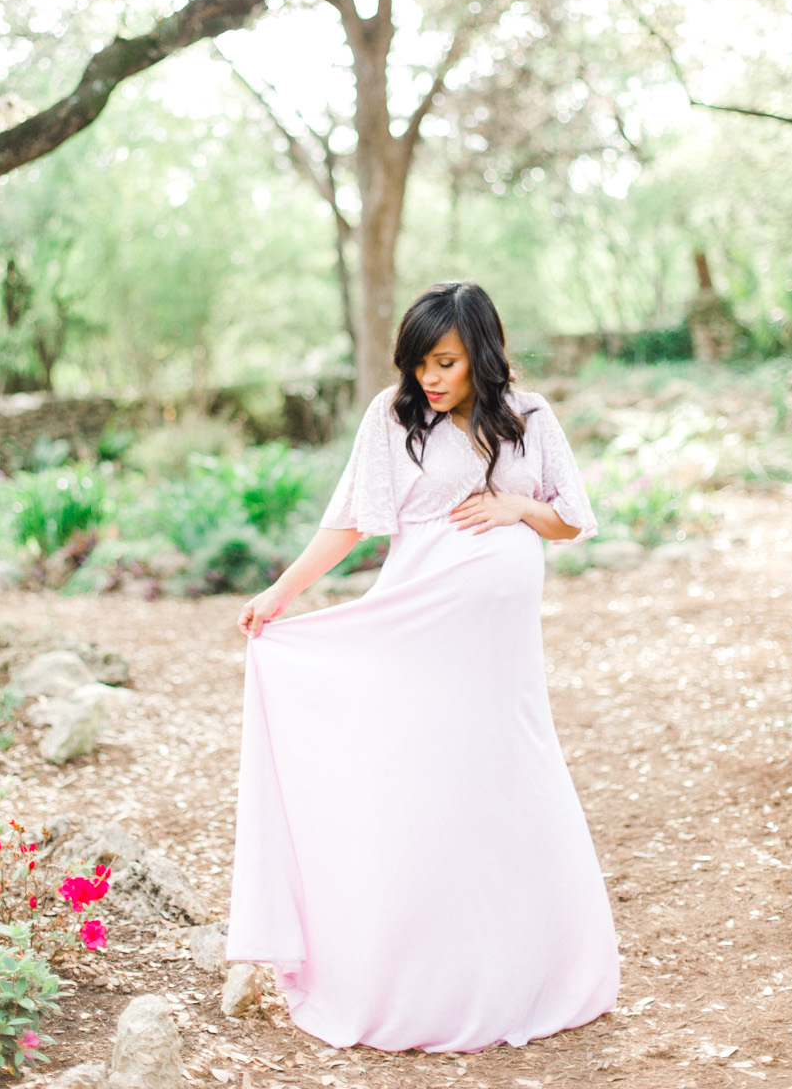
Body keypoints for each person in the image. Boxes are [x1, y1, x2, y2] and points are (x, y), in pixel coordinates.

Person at [225, 281, 619, 1053]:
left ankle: (529, 967)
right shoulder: (392, 417)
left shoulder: (529, 416)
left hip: (497, 646)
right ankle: (413, 970)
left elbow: (571, 518)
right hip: (416, 620)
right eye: (418, 364)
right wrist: (280, 593)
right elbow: (349, 519)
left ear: (481, 350)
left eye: (444, 361)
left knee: (505, 771)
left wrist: (515, 508)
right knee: (417, 777)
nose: (429, 378)